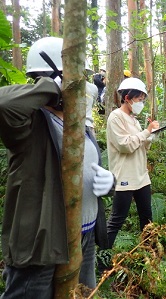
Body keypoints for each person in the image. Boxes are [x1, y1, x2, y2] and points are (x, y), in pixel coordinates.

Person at [0, 36, 115, 298]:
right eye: (75, 77)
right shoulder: (29, 123)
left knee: (82, 294)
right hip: (44, 244)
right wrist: (52, 87)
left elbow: (87, 166)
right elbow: (3, 104)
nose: (83, 84)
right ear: (53, 77)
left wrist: (110, 182)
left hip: (83, 237)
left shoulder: (79, 123)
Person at [105, 77, 160, 251]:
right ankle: (102, 259)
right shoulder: (116, 117)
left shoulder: (135, 120)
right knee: (117, 219)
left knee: (147, 217)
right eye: (138, 100)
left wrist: (151, 135)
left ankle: (149, 253)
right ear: (127, 98)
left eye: (143, 100)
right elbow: (125, 145)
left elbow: (142, 147)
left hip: (141, 176)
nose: (141, 103)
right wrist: (146, 132)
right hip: (124, 176)